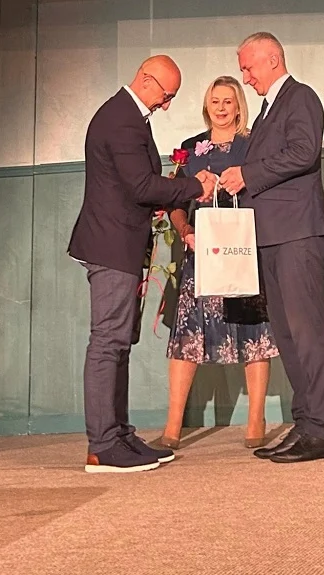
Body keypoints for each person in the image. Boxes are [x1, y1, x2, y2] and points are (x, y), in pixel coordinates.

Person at [161, 76, 324, 450]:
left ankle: (256, 422)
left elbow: (283, 189)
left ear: (239, 106)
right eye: (215, 100)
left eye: (228, 100)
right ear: (206, 106)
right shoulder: (190, 149)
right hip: (202, 255)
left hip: (246, 252)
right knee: (188, 338)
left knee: (254, 337)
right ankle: (172, 426)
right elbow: (175, 201)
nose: (221, 107)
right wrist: (185, 230)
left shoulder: (254, 145)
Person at [68, 55, 217, 473]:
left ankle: (118, 435)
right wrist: (193, 186)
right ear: (146, 80)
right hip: (111, 245)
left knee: (119, 343)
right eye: (167, 96)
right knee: (107, 343)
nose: (166, 105)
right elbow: (139, 186)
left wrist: (169, 192)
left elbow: (134, 185)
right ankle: (103, 445)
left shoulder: (129, 118)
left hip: (121, 243)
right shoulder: (121, 119)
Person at [219, 33, 324, 464]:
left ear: (273, 59)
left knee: (308, 334)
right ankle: (305, 424)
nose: (245, 77)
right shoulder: (268, 110)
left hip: (297, 235)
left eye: (249, 67)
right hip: (271, 237)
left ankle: (321, 432)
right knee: (288, 338)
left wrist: (247, 174)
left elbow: (304, 153)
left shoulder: (299, 97)